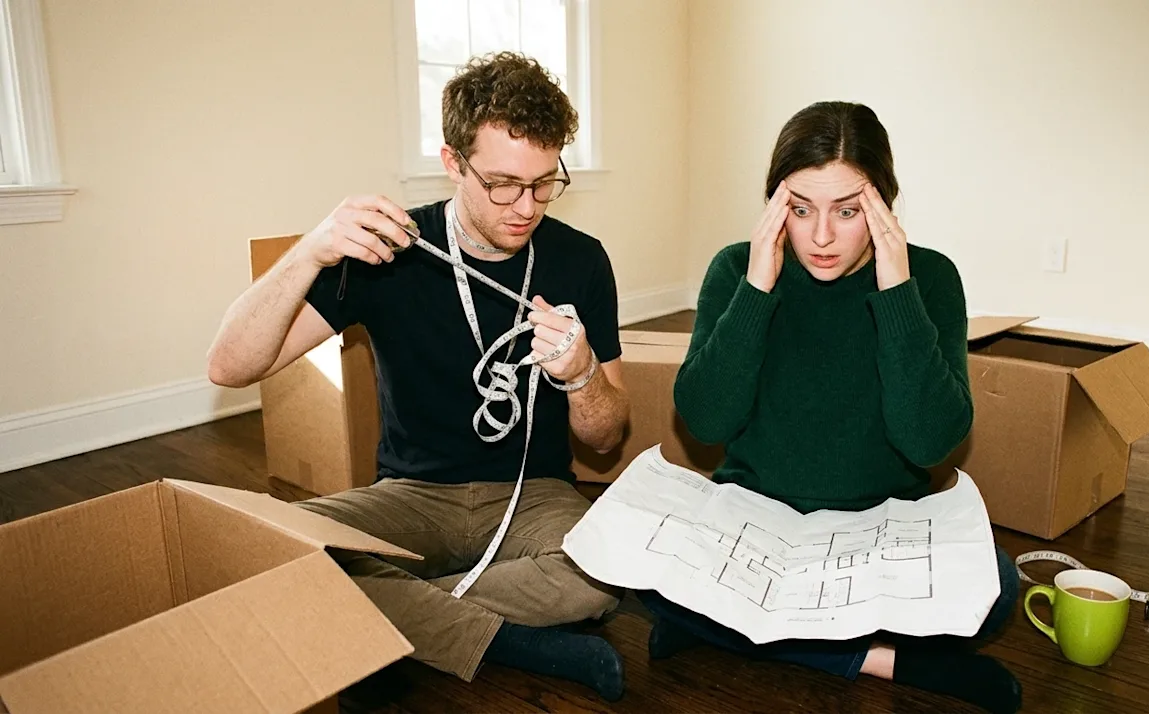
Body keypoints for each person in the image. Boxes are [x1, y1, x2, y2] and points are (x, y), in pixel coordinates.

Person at [206, 52, 630, 703]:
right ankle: (502, 639)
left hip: (532, 495)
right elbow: (229, 367)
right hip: (413, 493)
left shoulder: (580, 259)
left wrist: (580, 379)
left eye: (545, 182)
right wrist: (311, 249)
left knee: (605, 572)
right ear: (453, 162)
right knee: (263, 549)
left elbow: (606, 438)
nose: (527, 206)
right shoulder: (390, 250)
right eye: (503, 184)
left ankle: (384, 619)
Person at [637, 101, 1022, 714]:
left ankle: (730, 628)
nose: (820, 237)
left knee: (999, 588)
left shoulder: (931, 276)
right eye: (800, 210)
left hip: (876, 533)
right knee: (635, 557)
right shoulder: (738, 267)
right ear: (774, 205)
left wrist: (896, 291)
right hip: (756, 526)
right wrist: (757, 289)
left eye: (847, 212)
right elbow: (707, 423)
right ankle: (879, 659)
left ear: (884, 205)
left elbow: (928, 441)